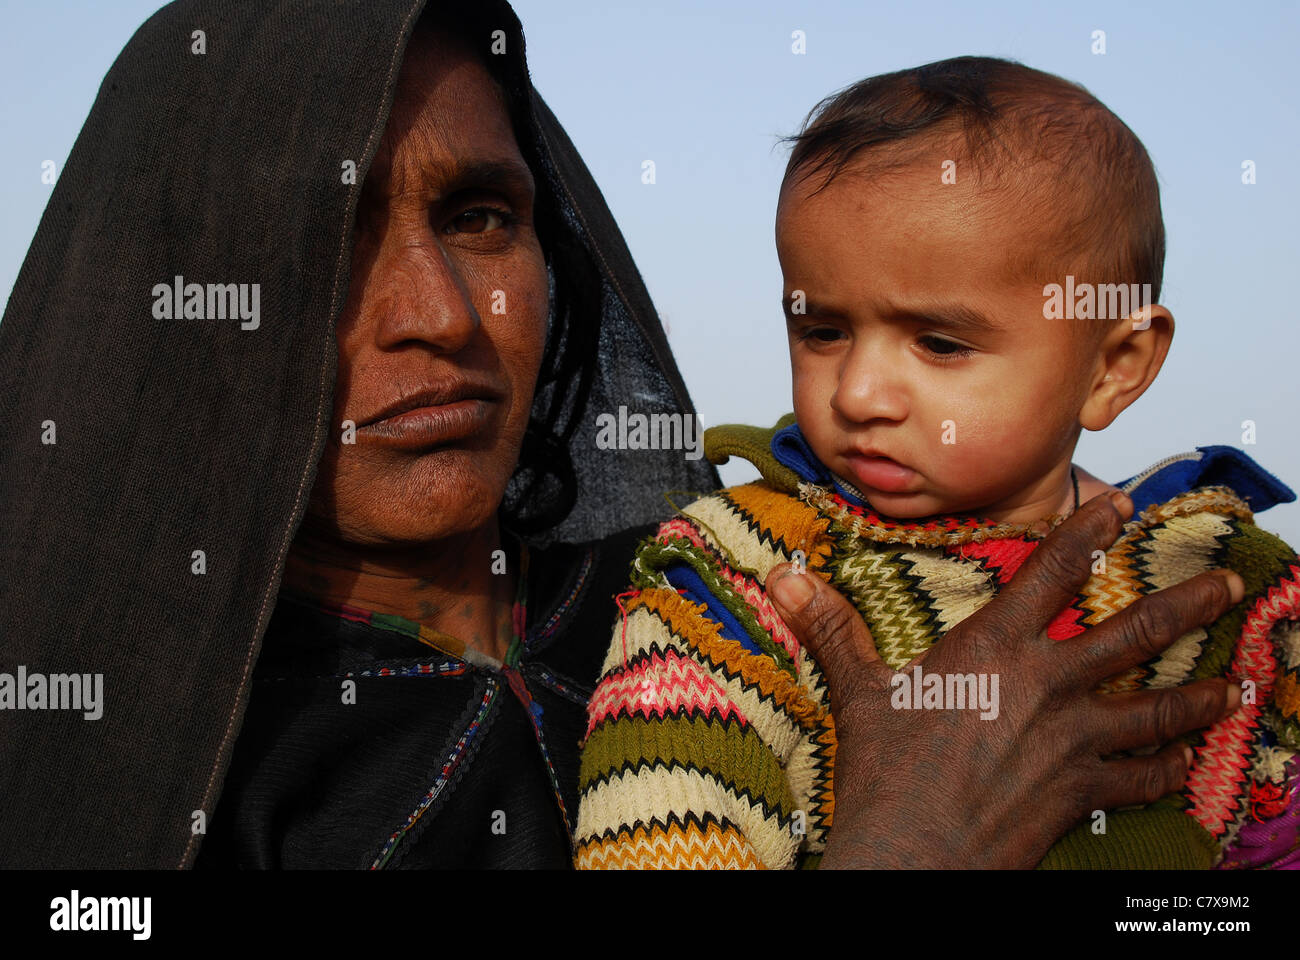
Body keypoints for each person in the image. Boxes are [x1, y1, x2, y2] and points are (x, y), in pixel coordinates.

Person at [0, 4, 1249, 870]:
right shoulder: (128, 781)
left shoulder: (734, 578)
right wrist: (911, 842)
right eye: (321, 248)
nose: (436, 316)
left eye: (483, 216)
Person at [574, 58, 1300, 869]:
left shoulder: (1216, 580)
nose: (858, 394)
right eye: (822, 331)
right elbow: (652, 826)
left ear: (1113, 366)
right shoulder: (737, 579)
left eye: (941, 343)